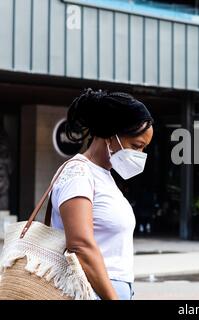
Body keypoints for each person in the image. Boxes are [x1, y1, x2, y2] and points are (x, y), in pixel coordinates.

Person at [50, 88, 154, 300]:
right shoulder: (78, 173)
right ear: (110, 135)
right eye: (136, 146)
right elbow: (80, 245)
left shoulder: (105, 176)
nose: (140, 155)